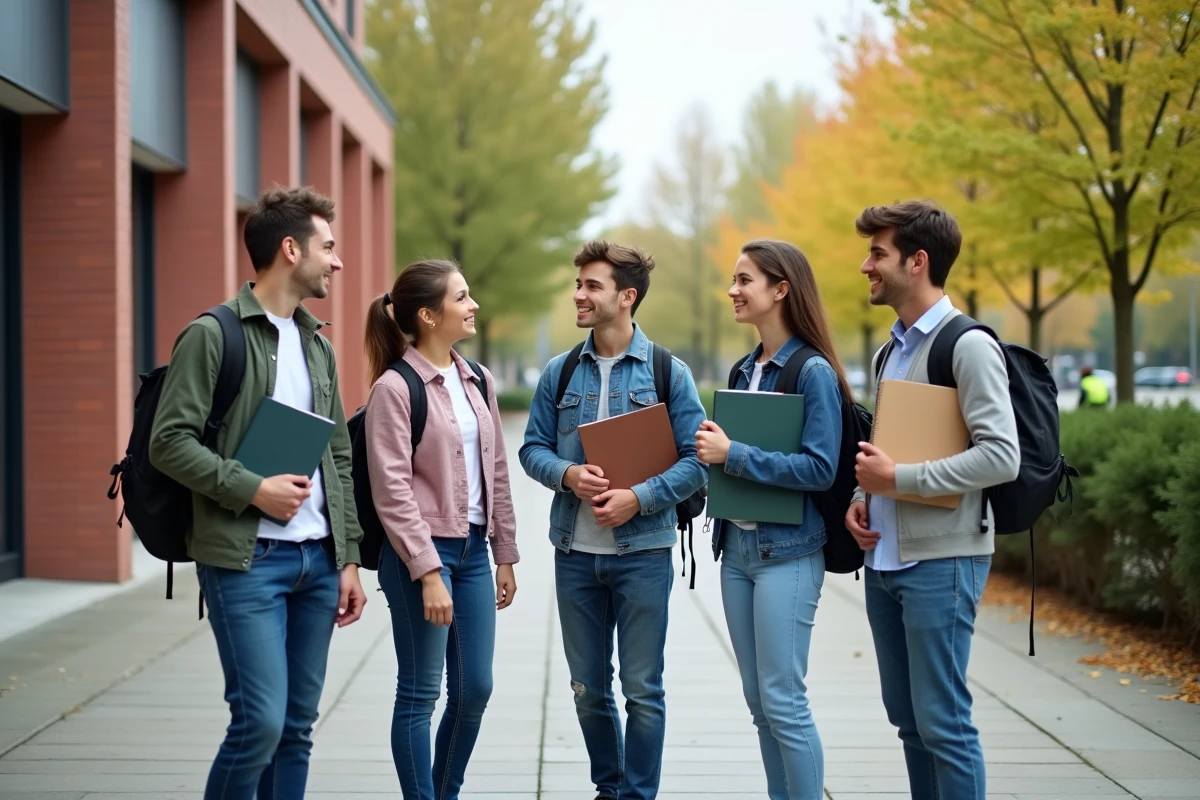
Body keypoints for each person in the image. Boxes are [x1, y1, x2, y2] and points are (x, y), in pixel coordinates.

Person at [149, 186, 368, 800]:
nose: (338, 260)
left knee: (296, 729)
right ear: (290, 249)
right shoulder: (212, 334)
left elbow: (338, 457)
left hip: (317, 562)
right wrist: (253, 489)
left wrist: (347, 557)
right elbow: (170, 443)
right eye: (328, 247)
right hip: (246, 563)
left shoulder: (318, 344)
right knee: (259, 724)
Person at [518, 241, 707, 800]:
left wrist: (640, 498)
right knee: (587, 690)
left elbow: (698, 461)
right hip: (575, 552)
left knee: (643, 689)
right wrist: (567, 475)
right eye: (578, 284)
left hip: (643, 554)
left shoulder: (667, 371)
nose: (578, 294)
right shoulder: (559, 371)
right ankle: (610, 788)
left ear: (627, 297)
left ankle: (638, 794)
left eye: (591, 286)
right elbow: (532, 449)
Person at [845, 200, 1020, 800]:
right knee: (911, 723)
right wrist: (861, 497)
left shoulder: (968, 345)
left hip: (943, 561)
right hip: (886, 560)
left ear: (917, 262)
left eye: (878, 254)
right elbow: (887, 451)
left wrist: (902, 481)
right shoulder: (890, 349)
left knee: (944, 724)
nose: (866, 265)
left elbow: (1002, 455)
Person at [693, 239, 849, 800]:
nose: (733, 290)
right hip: (737, 552)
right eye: (734, 280)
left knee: (784, 700)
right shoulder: (742, 367)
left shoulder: (813, 373)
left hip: (788, 554)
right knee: (760, 703)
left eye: (745, 280)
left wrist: (731, 454)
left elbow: (820, 468)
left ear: (781, 289)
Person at [362, 258, 519, 800]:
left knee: (475, 688)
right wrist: (427, 572)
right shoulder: (394, 388)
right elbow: (392, 489)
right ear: (429, 315)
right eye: (462, 297)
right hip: (419, 557)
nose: (473, 305)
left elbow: (496, 469)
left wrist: (505, 552)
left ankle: (442, 791)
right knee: (420, 692)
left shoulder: (478, 380)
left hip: (474, 553)